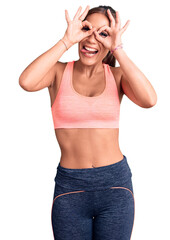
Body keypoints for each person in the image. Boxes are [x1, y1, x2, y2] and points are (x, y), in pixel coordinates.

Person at [19, 5, 157, 240]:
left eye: (102, 34)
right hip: (71, 187)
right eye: (86, 29)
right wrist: (66, 40)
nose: (92, 39)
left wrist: (118, 48)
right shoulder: (58, 73)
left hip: (115, 186)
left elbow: (150, 100)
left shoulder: (117, 76)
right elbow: (26, 81)